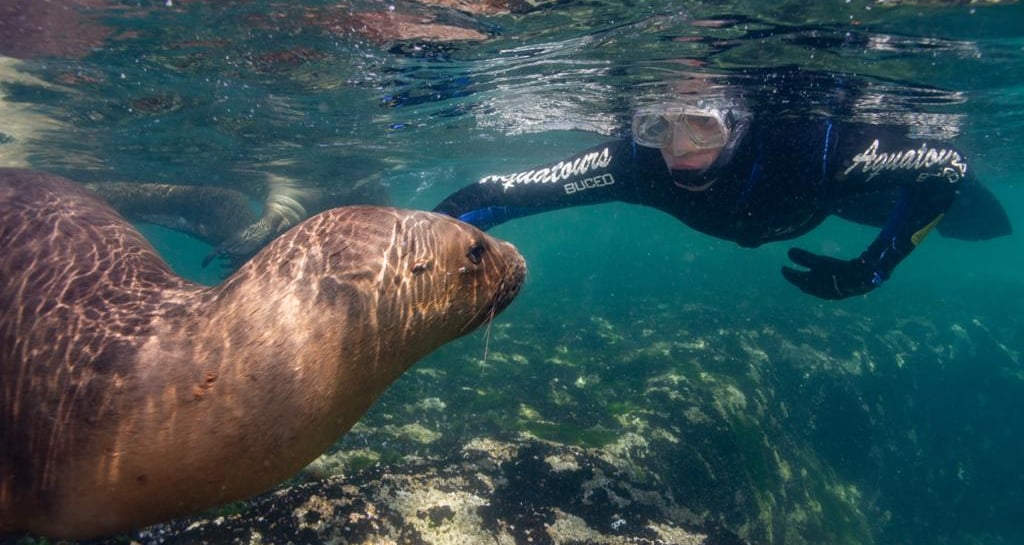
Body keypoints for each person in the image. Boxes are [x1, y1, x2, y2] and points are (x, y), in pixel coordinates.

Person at [433, 96, 1012, 300]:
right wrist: (408, 239)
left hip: (829, 196)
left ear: (742, 121)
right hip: (805, 209)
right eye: (656, 126)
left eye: (702, 125)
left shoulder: (814, 149)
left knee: (961, 207)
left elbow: (946, 164)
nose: (678, 150)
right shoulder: (635, 164)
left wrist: (875, 266)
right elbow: (498, 195)